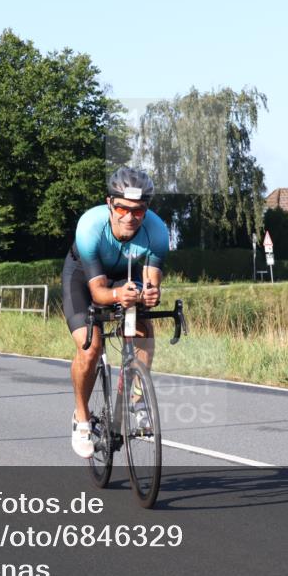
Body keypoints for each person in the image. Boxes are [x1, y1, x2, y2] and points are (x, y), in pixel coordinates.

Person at [63, 167, 169, 458]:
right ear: (110, 203)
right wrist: (115, 296)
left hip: (126, 275)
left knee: (143, 326)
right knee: (90, 347)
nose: (129, 217)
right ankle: (81, 418)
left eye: (138, 211)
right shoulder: (90, 226)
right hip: (84, 278)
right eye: (122, 207)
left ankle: (136, 398)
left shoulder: (157, 232)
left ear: (146, 210)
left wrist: (150, 294)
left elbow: (151, 282)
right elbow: (97, 292)